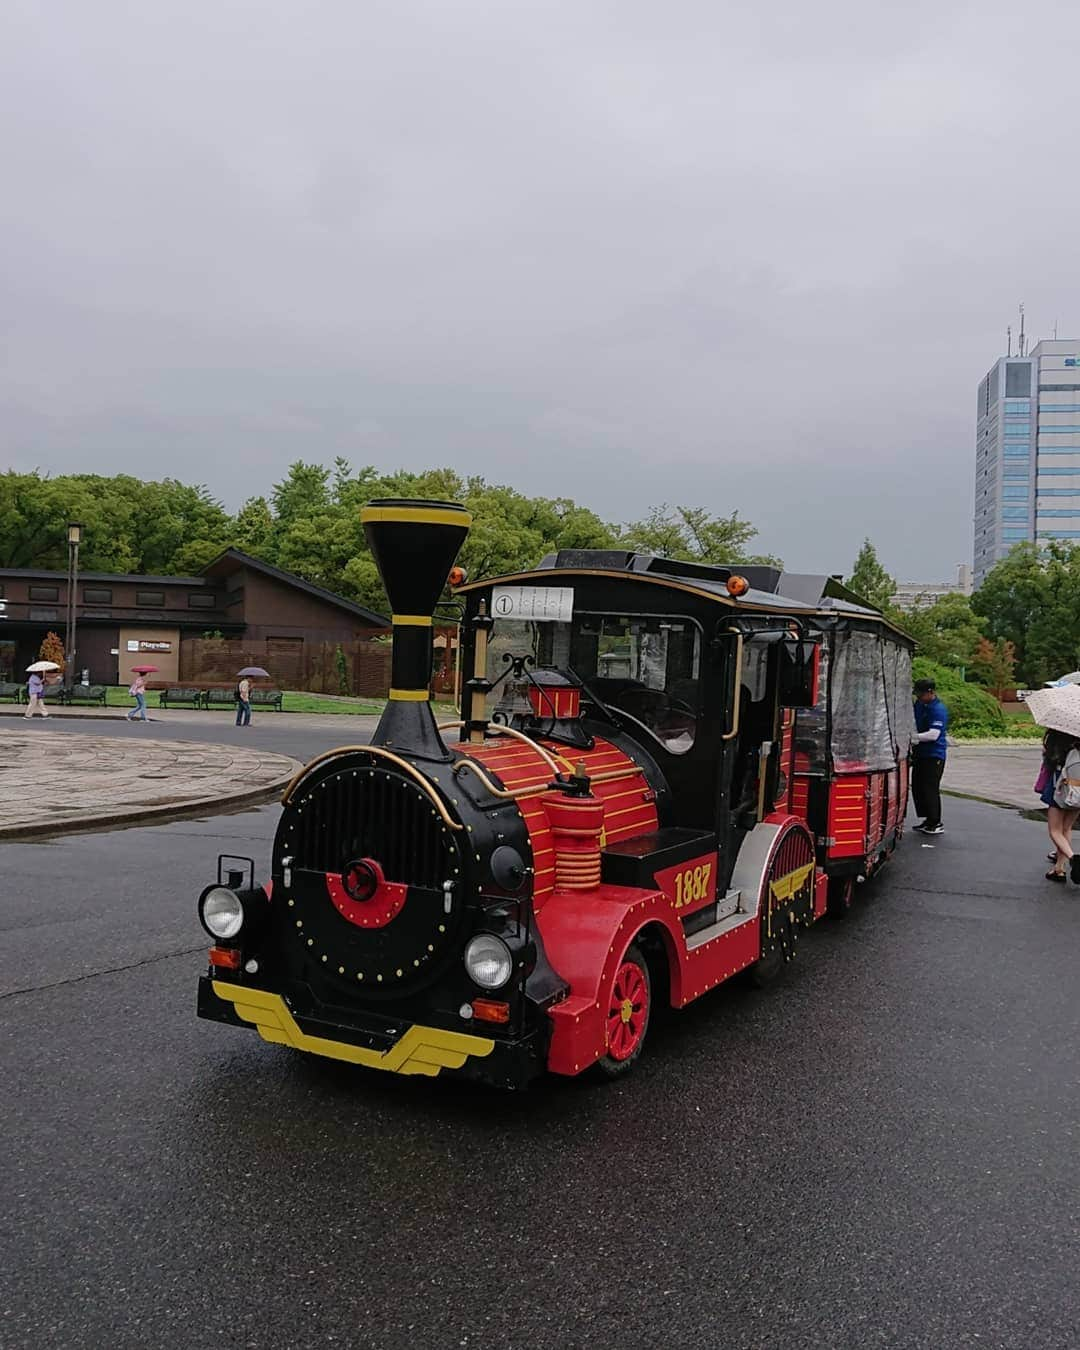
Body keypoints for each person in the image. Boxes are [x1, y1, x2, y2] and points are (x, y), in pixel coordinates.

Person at [1039, 729, 1080, 883]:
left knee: (1055, 831)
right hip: (1078, 791)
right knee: (1066, 828)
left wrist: (1046, 747)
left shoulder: (1058, 735)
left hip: (1060, 787)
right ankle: (1059, 868)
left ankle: (1074, 859)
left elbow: (1051, 760)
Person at [911, 677, 948, 835]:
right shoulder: (920, 704)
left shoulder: (937, 709)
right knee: (918, 787)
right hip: (920, 753)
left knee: (930, 788)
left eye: (921, 694)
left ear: (930, 692)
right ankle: (927, 818)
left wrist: (912, 737)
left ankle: (935, 821)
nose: (918, 697)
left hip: (934, 755)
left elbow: (934, 735)